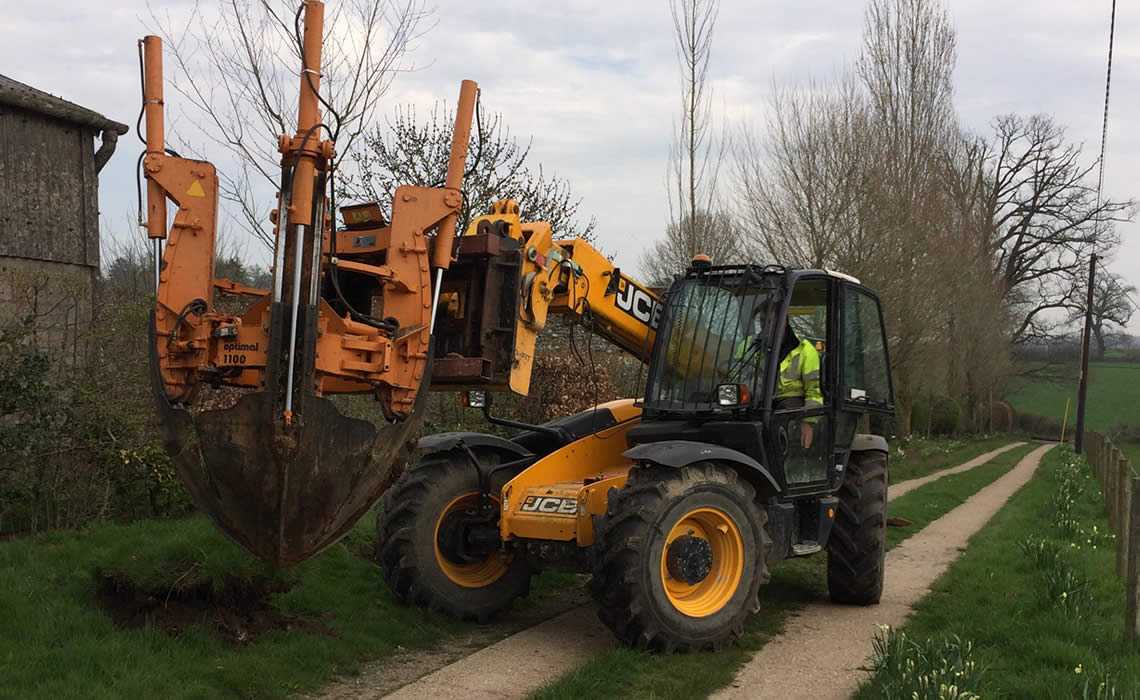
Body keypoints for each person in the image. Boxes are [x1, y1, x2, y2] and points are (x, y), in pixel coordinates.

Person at [773, 319, 823, 449]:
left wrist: (808, 421)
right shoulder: (752, 347)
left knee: (782, 417)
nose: (766, 326)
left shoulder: (805, 350)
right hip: (760, 400)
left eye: (771, 321)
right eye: (762, 321)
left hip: (793, 401)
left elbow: (815, 389)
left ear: (784, 322)